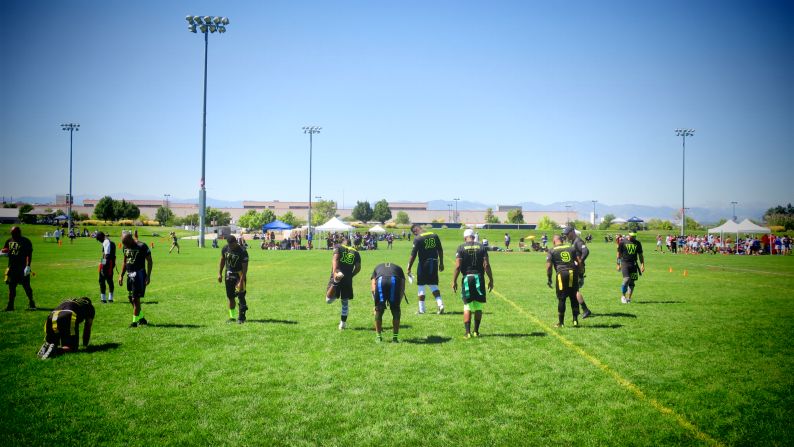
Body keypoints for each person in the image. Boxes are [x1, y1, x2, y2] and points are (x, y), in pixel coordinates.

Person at [452, 229, 493, 338]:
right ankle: (476, 331)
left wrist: (454, 281)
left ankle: (467, 332)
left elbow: (457, 266)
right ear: (474, 237)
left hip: (467, 278)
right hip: (479, 278)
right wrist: (491, 280)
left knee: (467, 306)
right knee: (478, 306)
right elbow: (486, 265)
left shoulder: (461, 247)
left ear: (465, 238)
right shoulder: (482, 247)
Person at [407, 224, 445, 314]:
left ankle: (421, 310)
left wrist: (409, 268)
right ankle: (440, 304)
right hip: (434, 263)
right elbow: (440, 250)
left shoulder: (418, 238)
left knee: (421, 286)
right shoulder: (434, 235)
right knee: (433, 285)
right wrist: (441, 263)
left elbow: (413, 254)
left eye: (414, 233)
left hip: (424, 264)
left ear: (415, 230)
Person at [325, 235, 361, 330]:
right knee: (345, 302)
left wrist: (335, 273)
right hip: (348, 279)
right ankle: (343, 324)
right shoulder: (356, 252)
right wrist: (351, 275)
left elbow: (335, 260)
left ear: (342, 242)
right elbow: (358, 268)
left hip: (337, 275)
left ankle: (336, 281)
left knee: (328, 300)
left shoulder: (338, 247)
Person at [118, 232, 153, 327]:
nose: (125, 246)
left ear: (131, 239)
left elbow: (149, 261)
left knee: (135, 298)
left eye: (127, 243)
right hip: (129, 275)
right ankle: (141, 318)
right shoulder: (126, 246)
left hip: (139, 274)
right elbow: (125, 261)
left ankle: (134, 322)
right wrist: (121, 275)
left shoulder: (142, 246)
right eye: (124, 244)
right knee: (131, 298)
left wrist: (148, 276)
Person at [546, 235, 581, 327]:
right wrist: (580, 274)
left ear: (554, 241)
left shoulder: (552, 250)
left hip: (561, 274)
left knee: (562, 298)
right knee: (574, 297)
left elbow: (549, 266)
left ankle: (561, 323)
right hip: (573, 273)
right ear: (562, 241)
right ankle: (575, 320)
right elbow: (579, 261)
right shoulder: (571, 248)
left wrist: (549, 278)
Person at [2, 226, 36, 311]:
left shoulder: (25, 241)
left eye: (14, 233)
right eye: (11, 233)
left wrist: (28, 266)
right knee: (11, 287)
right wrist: (2, 252)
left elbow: (29, 255)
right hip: (12, 268)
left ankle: (31, 302)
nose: (12, 234)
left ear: (18, 233)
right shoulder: (9, 240)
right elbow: (5, 249)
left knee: (27, 287)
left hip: (22, 268)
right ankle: (10, 306)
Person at [370, 262, 406, 343]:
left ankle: (378, 337)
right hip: (394, 281)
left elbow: (373, 284)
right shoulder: (398, 268)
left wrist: (376, 304)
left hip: (380, 281)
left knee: (379, 311)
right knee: (395, 311)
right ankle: (395, 338)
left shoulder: (377, 267)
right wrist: (398, 301)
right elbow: (403, 285)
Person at [218, 235, 249, 324]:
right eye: (229, 245)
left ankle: (241, 317)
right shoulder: (225, 248)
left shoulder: (242, 251)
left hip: (239, 274)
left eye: (232, 244)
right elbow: (222, 260)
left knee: (241, 296)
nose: (230, 246)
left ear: (236, 242)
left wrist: (241, 281)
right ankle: (232, 317)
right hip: (228, 274)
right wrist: (219, 273)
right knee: (230, 297)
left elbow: (245, 268)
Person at [563, 226, 592, 318]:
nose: (566, 236)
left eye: (567, 234)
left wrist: (581, 262)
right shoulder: (574, 241)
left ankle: (585, 310)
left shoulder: (578, 241)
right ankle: (581, 310)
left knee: (574, 290)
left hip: (577, 270)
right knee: (573, 290)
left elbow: (586, 251)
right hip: (575, 269)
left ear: (572, 232)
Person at [617, 231, 645, 303]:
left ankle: (629, 298)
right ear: (628, 235)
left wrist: (642, 265)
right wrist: (618, 264)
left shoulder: (638, 243)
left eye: (635, 236)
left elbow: (640, 255)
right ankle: (623, 296)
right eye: (632, 236)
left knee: (632, 282)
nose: (633, 237)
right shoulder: (622, 242)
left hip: (634, 264)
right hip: (625, 263)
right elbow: (619, 254)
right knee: (626, 279)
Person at [95, 232, 116, 303]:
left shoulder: (106, 241)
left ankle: (105, 299)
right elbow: (104, 254)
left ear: (101, 236)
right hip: (107, 262)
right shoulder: (107, 241)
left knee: (103, 280)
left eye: (98, 239)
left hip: (107, 263)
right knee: (108, 280)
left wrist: (103, 266)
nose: (98, 241)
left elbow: (107, 255)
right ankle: (108, 298)